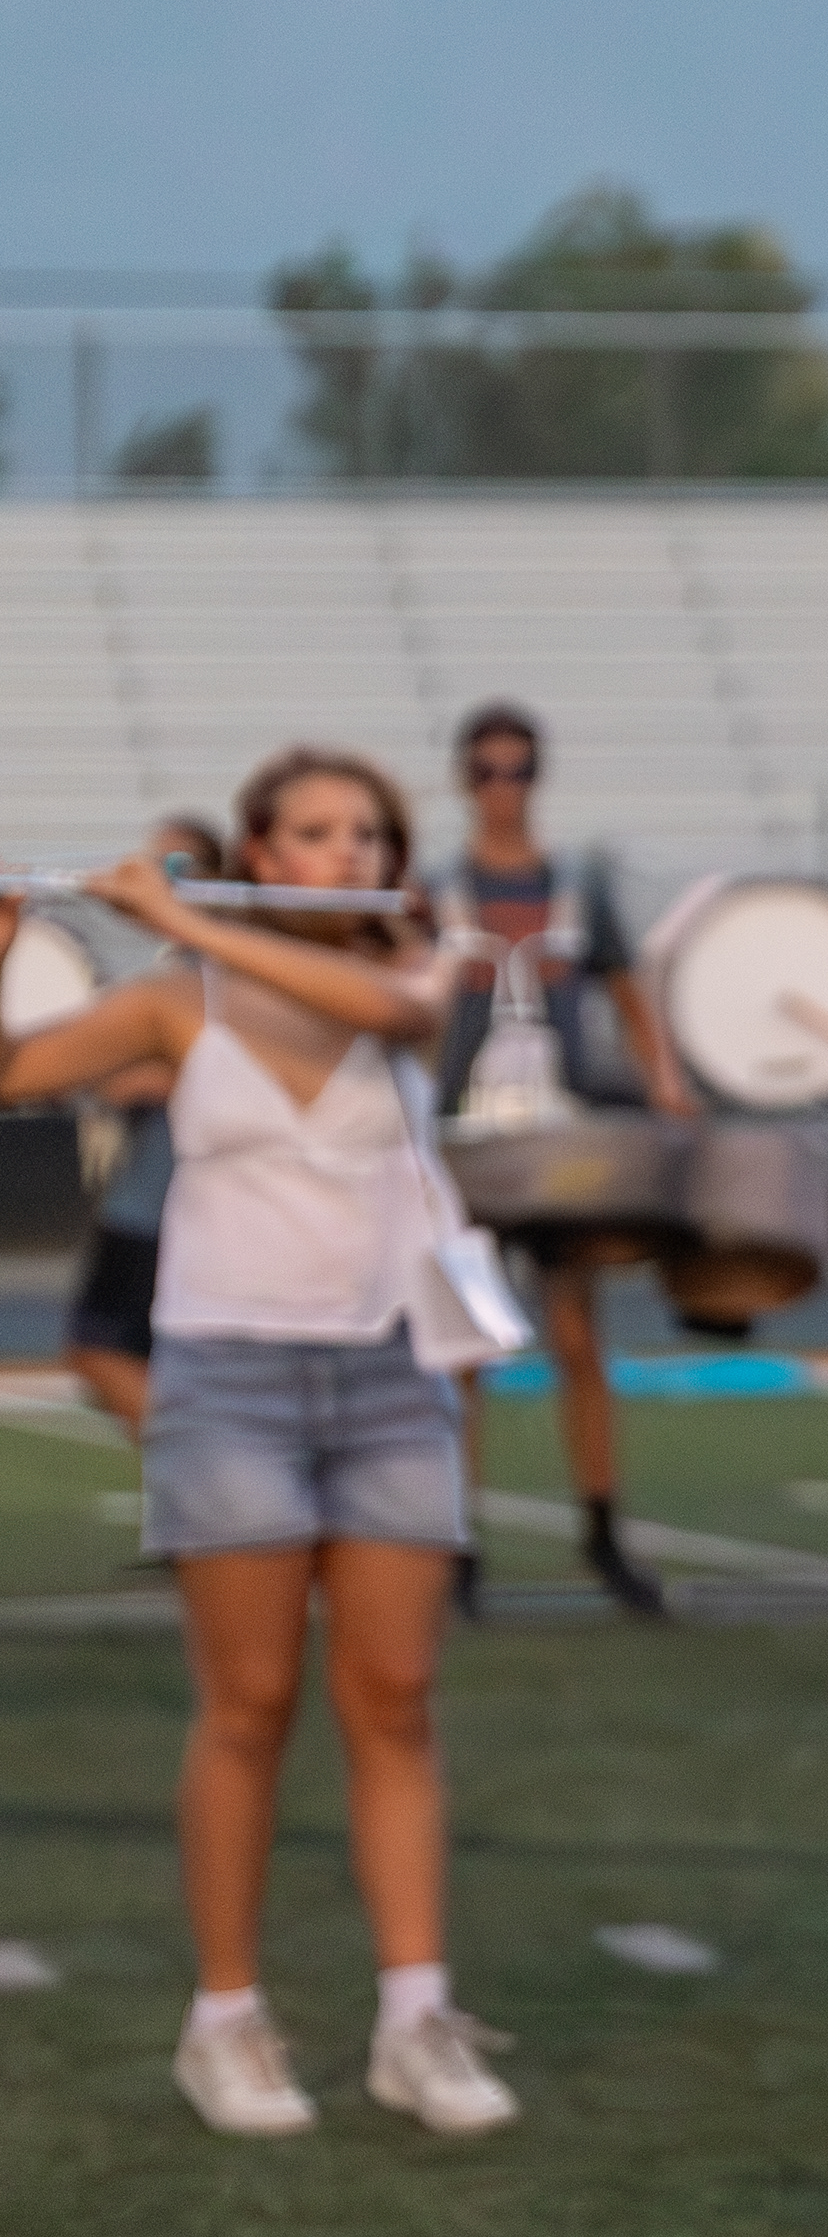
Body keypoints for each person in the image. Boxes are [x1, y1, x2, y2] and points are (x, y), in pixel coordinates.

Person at [0, 748, 522, 2139]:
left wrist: (175, 913)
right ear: (261, 853)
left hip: (393, 1376)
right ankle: (224, 2020)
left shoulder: (415, 967)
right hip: (229, 1378)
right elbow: (11, 1076)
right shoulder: (178, 1000)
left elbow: (387, 1012)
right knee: (249, 1705)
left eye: (368, 833)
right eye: (315, 833)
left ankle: (415, 2019)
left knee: (396, 1697)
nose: (349, 855)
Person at [431, 701, 695, 1618]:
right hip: (465, 1136)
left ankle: (602, 1529)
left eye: (519, 771)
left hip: (562, 1137)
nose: (504, 790)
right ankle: (456, 1543)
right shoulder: (440, 890)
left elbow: (627, 989)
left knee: (578, 1337)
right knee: (465, 1347)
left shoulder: (576, 883)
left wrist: (666, 1082)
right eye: (488, 772)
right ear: (466, 782)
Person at [58, 812, 227, 1442]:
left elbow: (227, 1069)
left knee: (101, 1349)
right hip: (154, 1195)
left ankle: (202, 1470)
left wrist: (130, 1073)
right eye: (153, 863)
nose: (158, 878)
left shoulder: (220, 965)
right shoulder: (173, 965)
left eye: (176, 866)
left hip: (170, 1203)